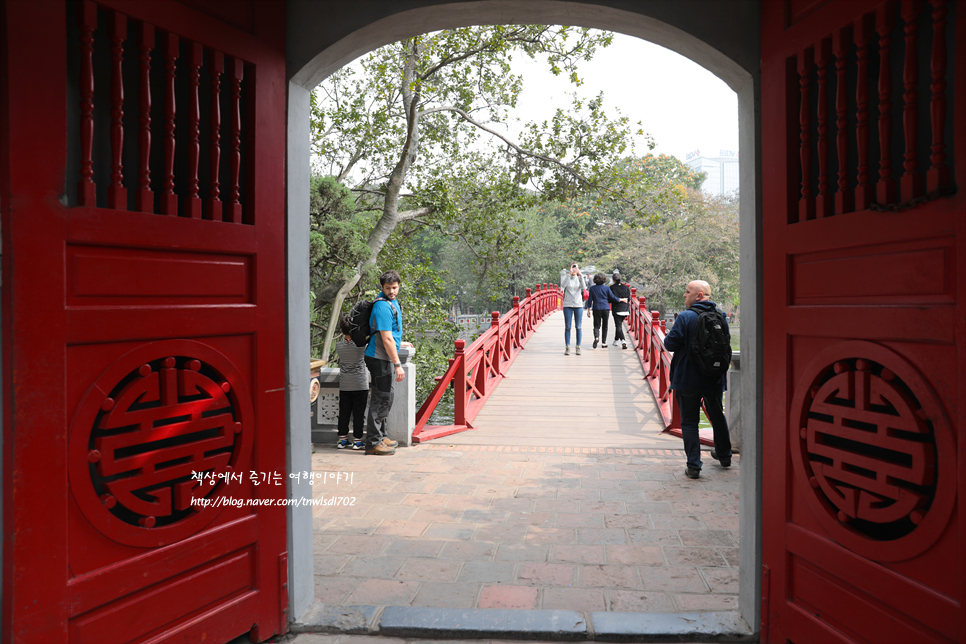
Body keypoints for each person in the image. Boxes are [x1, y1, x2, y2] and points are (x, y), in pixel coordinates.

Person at [663, 279, 732, 479]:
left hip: (688, 378)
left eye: (687, 291)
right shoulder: (722, 316)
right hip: (714, 377)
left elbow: (670, 344)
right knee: (717, 415)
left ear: (699, 295)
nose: (684, 295)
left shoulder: (685, 317)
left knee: (690, 422)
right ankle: (724, 455)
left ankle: (694, 465)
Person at [364, 270, 413, 455]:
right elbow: (386, 339)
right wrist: (398, 365)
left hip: (382, 357)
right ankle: (373, 443)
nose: (392, 291)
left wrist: (401, 342)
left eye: (394, 287)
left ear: (399, 286)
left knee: (386, 397)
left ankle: (381, 436)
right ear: (382, 287)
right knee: (380, 399)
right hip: (379, 358)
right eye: (388, 288)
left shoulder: (392, 302)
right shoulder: (383, 306)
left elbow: (391, 334)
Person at [335, 316, 369, 450]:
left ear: (341, 332)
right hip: (360, 383)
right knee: (358, 414)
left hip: (345, 384)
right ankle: (357, 441)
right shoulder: (362, 346)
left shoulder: (339, 346)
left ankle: (342, 441)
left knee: (344, 413)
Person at [586, 273, 627, 349]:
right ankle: (604, 343)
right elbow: (612, 297)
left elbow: (590, 300)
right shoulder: (606, 288)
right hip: (605, 308)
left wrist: (588, 310)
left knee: (596, 325)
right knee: (605, 326)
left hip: (596, 308)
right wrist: (622, 299)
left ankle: (596, 337)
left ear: (595, 280)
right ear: (604, 280)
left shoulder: (592, 288)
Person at [559, 262, 587, 355]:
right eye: (573, 267)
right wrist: (569, 274)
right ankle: (567, 347)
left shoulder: (580, 278)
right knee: (568, 327)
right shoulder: (567, 277)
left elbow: (584, 287)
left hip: (578, 305)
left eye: (576, 267)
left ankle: (578, 347)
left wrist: (580, 275)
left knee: (578, 327)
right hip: (568, 305)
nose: (574, 269)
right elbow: (563, 286)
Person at [609, 271, 631, 349]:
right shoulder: (626, 287)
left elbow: (610, 299)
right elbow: (629, 299)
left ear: (613, 280)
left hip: (616, 309)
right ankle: (615, 340)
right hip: (625, 309)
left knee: (618, 326)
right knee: (619, 325)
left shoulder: (612, 287)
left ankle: (623, 341)